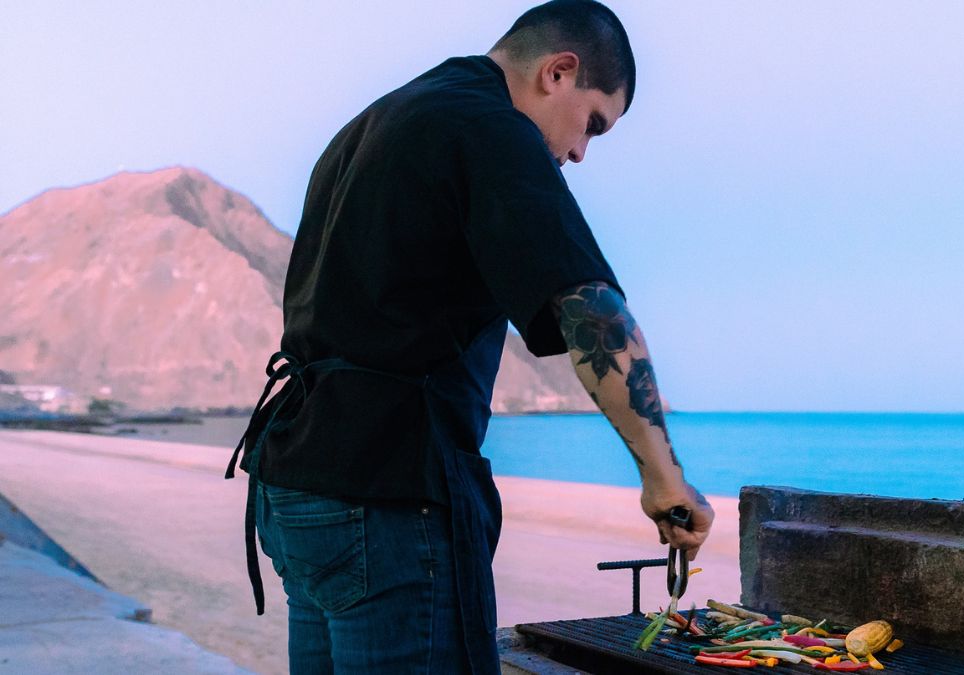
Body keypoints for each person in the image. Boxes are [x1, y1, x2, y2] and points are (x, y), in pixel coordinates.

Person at [225, 1, 714, 672]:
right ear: (559, 72)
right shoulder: (489, 128)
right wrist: (664, 476)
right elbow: (591, 309)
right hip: (386, 493)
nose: (579, 151)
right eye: (592, 123)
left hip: (297, 487)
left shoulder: (377, 121)